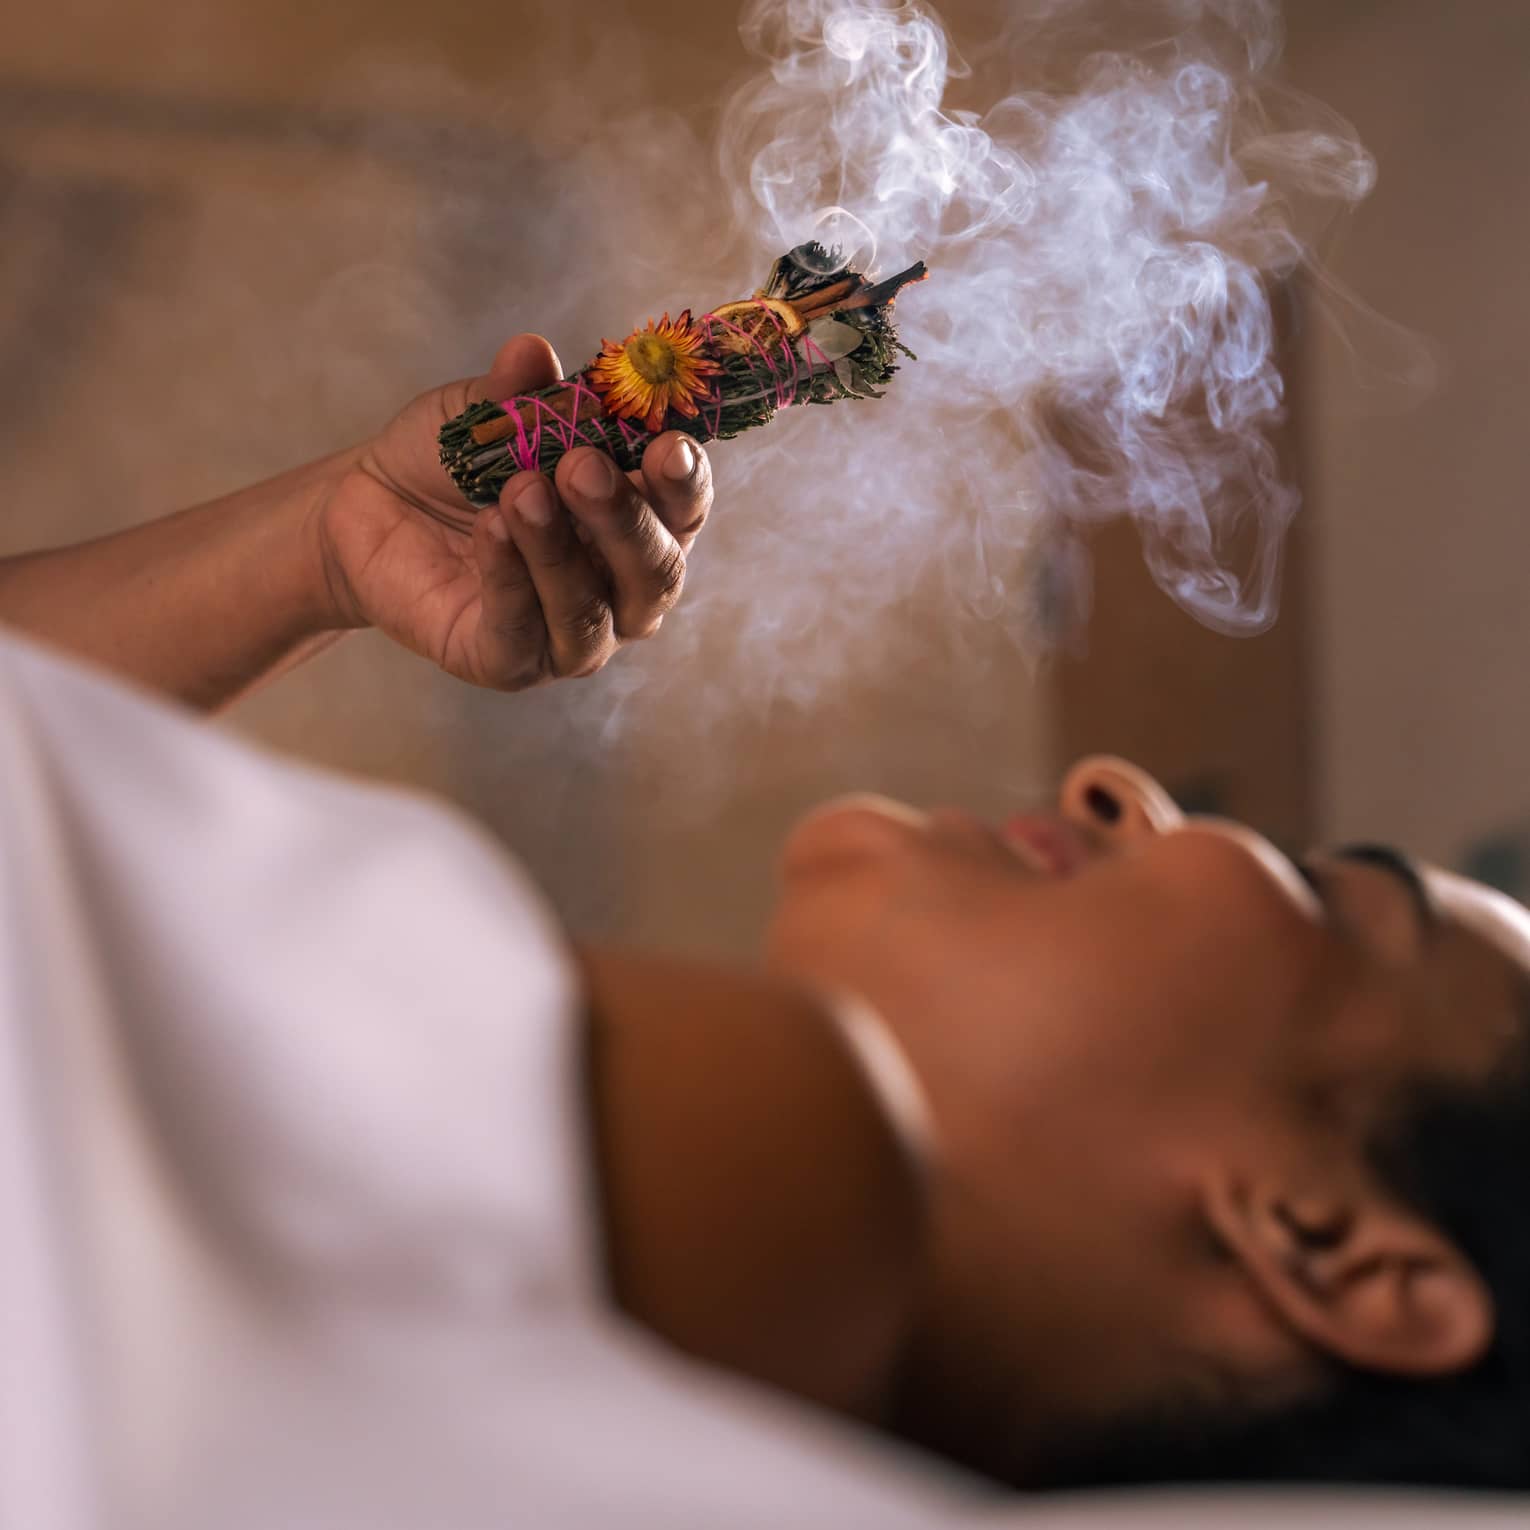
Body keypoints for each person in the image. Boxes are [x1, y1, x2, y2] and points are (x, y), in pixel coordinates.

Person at [1, 336, 1526, 1530]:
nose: (1118, 784)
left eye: (1326, 894)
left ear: (1325, 1242)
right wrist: (326, 550)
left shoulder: (806, 1137)